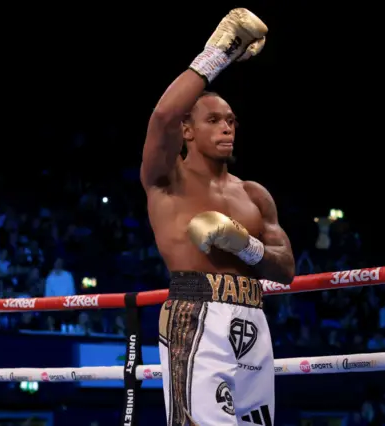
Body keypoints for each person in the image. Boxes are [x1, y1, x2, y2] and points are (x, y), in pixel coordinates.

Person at [140, 8, 295, 426]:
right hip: (196, 314)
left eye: (231, 121)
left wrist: (245, 246)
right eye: (213, 120)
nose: (227, 128)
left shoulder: (253, 194)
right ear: (187, 131)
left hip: (253, 318)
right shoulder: (166, 181)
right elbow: (162, 116)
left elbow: (285, 270)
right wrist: (217, 54)